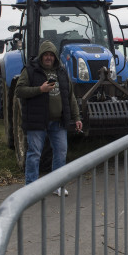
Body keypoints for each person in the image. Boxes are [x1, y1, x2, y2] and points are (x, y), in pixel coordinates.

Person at [15, 40, 83, 193]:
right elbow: (19, 91)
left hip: (58, 122)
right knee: (34, 154)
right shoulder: (30, 70)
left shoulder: (61, 71)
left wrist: (77, 117)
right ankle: (30, 188)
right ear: (41, 56)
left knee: (61, 152)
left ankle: (56, 185)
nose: (48, 57)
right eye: (45, 54)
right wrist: (40, 89)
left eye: (51, 55)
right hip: (37, 121)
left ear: (55, 57)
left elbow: (70, 96)